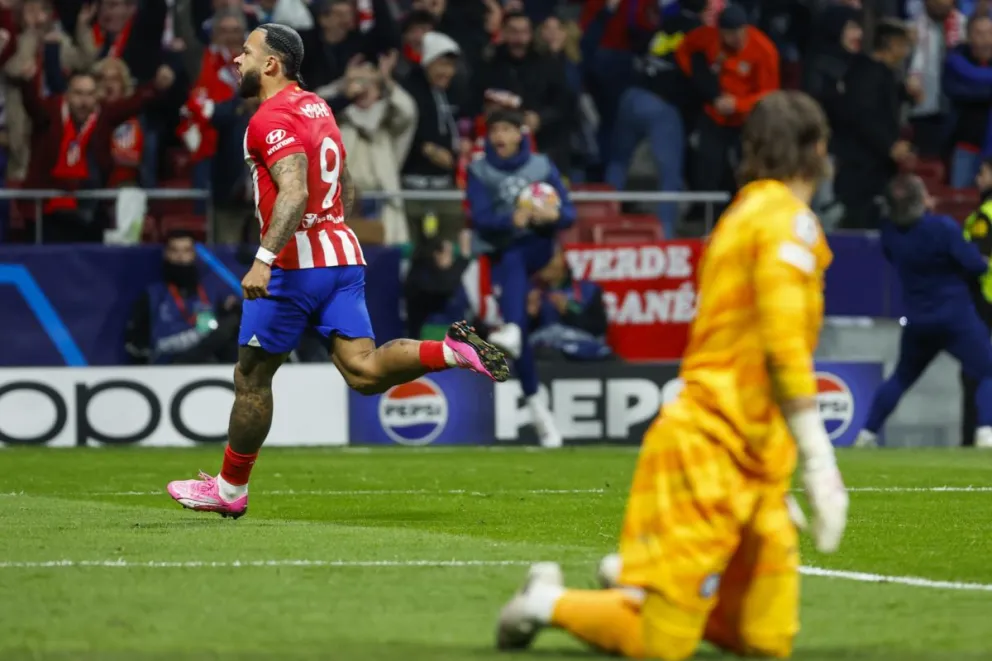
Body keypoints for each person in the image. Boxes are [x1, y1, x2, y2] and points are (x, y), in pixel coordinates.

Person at [494, 91, 849, 660]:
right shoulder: (785, 223)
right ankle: (548, 600)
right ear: (818, 149)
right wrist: (820, 463)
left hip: (749, 459)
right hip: (708, 451)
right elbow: (783, 348)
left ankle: (640, 585)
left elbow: (753, 349)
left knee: (766, 640)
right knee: (661, 647)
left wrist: (775, 467)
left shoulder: (746, 214)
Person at [166, 24, 509, 518]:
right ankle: (450, 352)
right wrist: (329, 232)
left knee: (252, 379)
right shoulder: (318, 107)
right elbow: (344, 185)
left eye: (245, 52)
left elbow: (295, 191)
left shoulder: (270, 117)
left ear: (271, 64)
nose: (236, 61)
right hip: (341, 254)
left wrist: (264, 260)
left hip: (292, 265)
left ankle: (230, 489)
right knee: (364, 371)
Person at [855, 174, 992, 449]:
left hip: (918, 319)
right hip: (955, 317)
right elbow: (975, 266)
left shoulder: (890, 233)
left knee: (902, 377)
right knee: (988, 371)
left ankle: (865, 434)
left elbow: (892, 253)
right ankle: (986, 432)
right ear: (921, 200)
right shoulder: (942, 227)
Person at [468, 108, 576, 449]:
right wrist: (509, 220)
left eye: (506, 129)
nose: (499, 136)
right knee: (518, 338)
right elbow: (480, 217)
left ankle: (514, 333)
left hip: (536, 247)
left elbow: (568, 213)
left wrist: (552, 214)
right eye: (494, 129)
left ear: (520, 134)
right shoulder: (478, 169)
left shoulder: (542, 166)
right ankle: (538, 411)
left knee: (516, 258)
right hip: (499, 254)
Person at [832, 19, 915, 230]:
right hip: (861, 168)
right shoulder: (865, 73)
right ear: (891, 43)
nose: (905, 52)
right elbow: (863, 117)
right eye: (903, 45)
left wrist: (907, 95)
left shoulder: (885, 74)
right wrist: (890, 145)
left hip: (879, 167)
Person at [125, 230, 240, 365]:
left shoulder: (211, 293)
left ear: (194, 255)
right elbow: (136, 345)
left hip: (207, 368)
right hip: (165, 369)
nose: (180, 257)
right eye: (174, 250)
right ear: (166, 254)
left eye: (186, 251)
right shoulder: (153, 295)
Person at [961, 158, 992, 446]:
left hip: (985, 301)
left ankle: (975, 436)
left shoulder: (985, 215)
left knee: (977, 371)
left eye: (982, 173)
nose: (977, 179)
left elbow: (977, 260)